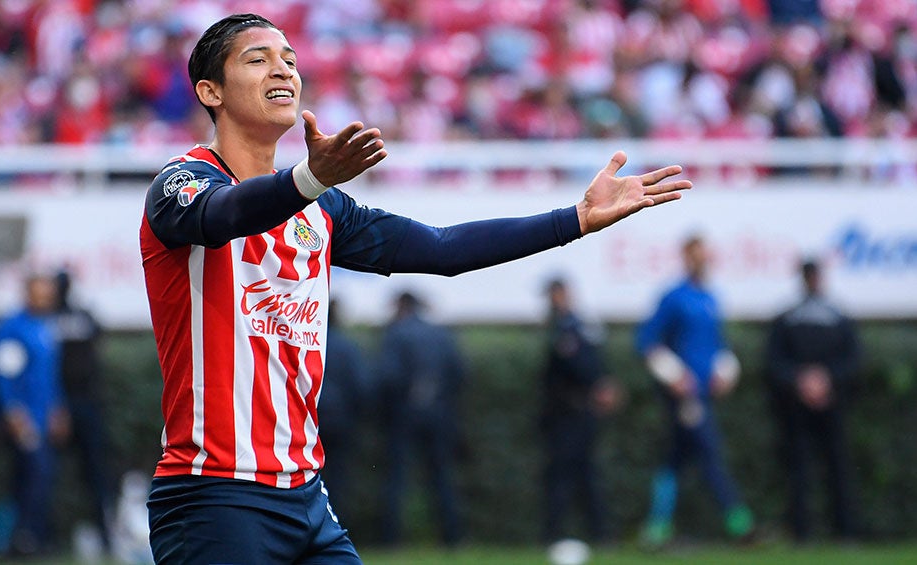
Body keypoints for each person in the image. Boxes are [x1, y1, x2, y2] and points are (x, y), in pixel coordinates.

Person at [139, 13, 690, 564]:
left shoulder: (323, 209)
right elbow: (225, 213)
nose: (281, 68)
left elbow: (442, 249)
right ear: (209, 90)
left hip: (304, 493)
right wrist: (308, 179)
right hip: (213, 494)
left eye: (289, 58)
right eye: (257, 59)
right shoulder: (182, 183)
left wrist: (574, 219)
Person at [635, 235, 754, 549]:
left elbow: (717, 344)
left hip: (704, 395)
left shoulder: (711, 297)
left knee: (674, 461)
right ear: (686, 258)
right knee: (710, 453)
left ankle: (655, 530)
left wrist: (726, 370)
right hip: (685, 398)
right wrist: (672, 374)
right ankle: (741, 524)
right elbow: (647, 341)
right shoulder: (674, 297)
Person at [766, 258, 861, 542]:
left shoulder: (832, 315)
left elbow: (852, 360)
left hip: (830, 403)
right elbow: (775, 362)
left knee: (837, 468)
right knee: (801, 469)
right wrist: (804, 381)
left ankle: (843, 530)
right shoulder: (796, 316)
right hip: (798, 406)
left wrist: (825, 379)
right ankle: (803, 531)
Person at [0, 273, 71, 557]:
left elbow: (50, 377)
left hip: (44, 417)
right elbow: (3, 375)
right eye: (40, 293)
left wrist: (58, 410)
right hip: (25, 419)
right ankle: (20, 538)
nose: (46, 298)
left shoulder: (46, 327)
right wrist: (12, 411)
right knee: (33, 476)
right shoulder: (13, 327)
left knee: (34, 478)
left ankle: (20, 538)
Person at [377, 291, 466, 547]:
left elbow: (388, 377)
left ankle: (391, 540)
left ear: (401, 306)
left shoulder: (396, 333)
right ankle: (452, 538)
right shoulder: (441, 334)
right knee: (442, 476)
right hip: (439, 413)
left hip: (404, 414)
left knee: (397, 478)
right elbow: (460, 373)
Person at [539, 278, 621, 549]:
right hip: (574, 412)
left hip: (571, 413)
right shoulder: (578, 325)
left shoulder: (569, 328)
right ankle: (598, 533)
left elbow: (581, 366)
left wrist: (599, 386)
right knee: (583, 474)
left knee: (568, 475)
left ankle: (558, 533)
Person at [54, 270, 116, 554]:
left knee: (94, 472)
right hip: (61, 405)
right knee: (51, 473)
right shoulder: (53, 317)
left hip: (81, 404)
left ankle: (104, 533)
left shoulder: (65, 316)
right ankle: (50, 535)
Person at [316, 298, 371, 528]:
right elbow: (361, 386)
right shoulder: (347, 346)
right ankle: (334, 527)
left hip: (306, 422)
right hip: (340, 422)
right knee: (338, 479)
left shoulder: (300, 341)